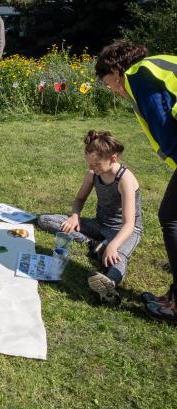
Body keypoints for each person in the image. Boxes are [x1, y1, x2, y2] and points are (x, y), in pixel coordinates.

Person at [95, 40, 177, 321]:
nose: (112, 90)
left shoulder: (139, 77)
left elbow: (165, 128)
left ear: (117, 71)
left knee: (171, 218)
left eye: (108, 83)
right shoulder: (159, 63)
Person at [37, 131, 143, 304]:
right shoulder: (93, 174)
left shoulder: (125, 179)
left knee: (117, 257)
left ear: (114, 158)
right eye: (90, 163)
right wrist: (74, 216)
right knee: (46, 220)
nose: (93, 168)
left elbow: (129, 223)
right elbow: (79, 199)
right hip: (100, 224)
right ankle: (93, 244)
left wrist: (114, 245)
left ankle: (110, 283)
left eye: (97, 164)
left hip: (124, 230)